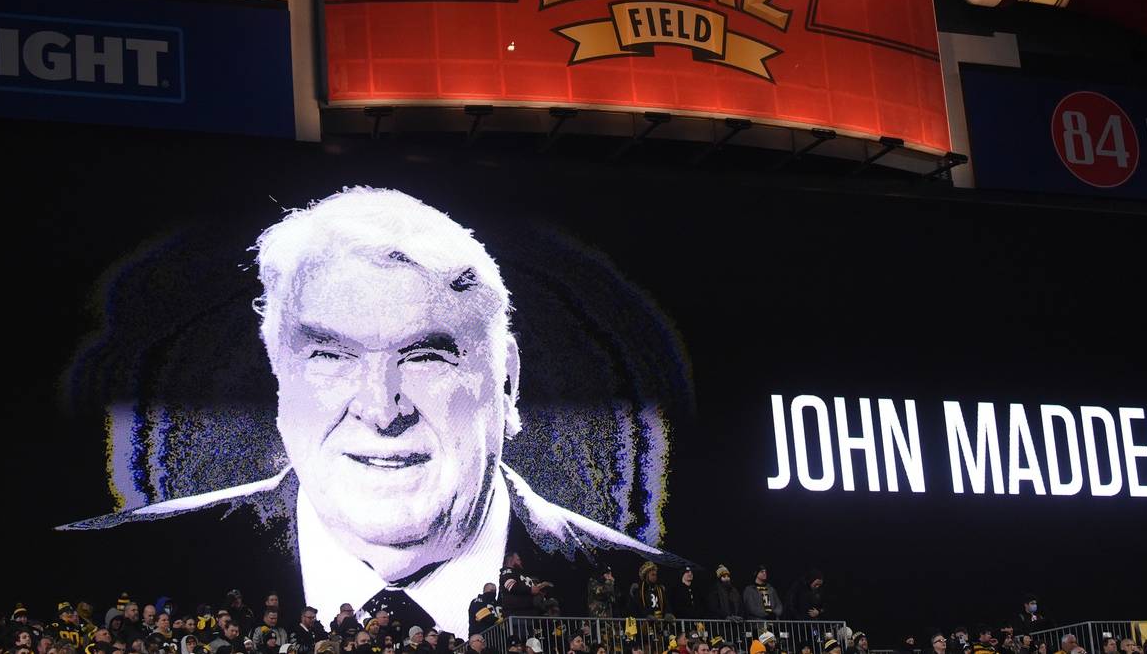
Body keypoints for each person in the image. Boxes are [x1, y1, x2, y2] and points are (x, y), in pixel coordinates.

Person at [60, 189, 686, 637]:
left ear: (507, 383)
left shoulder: (639, 582)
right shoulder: (102, 567)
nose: (381, 409)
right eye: (331, 354)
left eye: (426, 357)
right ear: (280, 378)